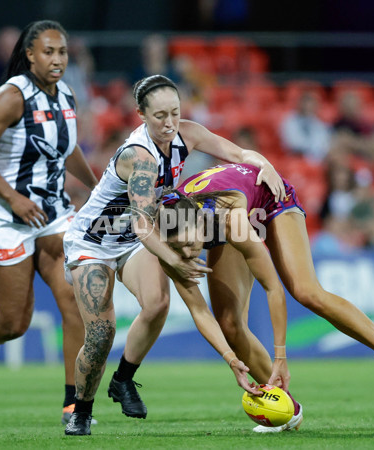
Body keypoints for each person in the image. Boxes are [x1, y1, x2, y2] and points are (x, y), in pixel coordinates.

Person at [62, 74, 286, 436]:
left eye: (175, 113)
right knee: (101, 333)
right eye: (159, 116)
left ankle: (122, 380)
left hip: (137, 238)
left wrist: (266, 165)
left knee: (158, 303)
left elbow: (240, 153)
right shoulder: (140, 159)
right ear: (141, 115)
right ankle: (81, 411)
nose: (169, 124)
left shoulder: (188, 133)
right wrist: (175, 259)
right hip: (95, 241)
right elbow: (142, 226)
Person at [156, 162, 374, 433]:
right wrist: (230, 360)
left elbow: (273, 288)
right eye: (177, 247)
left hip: (270, 199)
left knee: (306, 291)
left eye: (189, 243)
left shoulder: (232, 221)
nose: (188, 253)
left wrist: (281, 357)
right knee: (229, 323)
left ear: (199, 223)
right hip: (222, 212)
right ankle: (288, 410)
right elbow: (199, 312)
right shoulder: (171, 241)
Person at [0, 20, 98, 427]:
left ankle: (75, 407)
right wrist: (12, 198)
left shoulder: (66, 94)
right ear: (30, 55)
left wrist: (97, 185)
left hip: (51, 214)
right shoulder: (13, 96)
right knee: (14, 323)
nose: (57, 60)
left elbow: (65, 149)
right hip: (4, 219)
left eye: (62, 52)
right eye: (48, 52)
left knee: (76, 300)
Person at [279, 90, 332, 162]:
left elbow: (324, 146)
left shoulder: (319, 124)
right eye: (306, 104)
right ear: (300, 104)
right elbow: (293, 144)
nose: (308, 107)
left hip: (316, 161)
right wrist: (311, 149)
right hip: (294, 159)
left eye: (311, 105)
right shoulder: (289, 121)